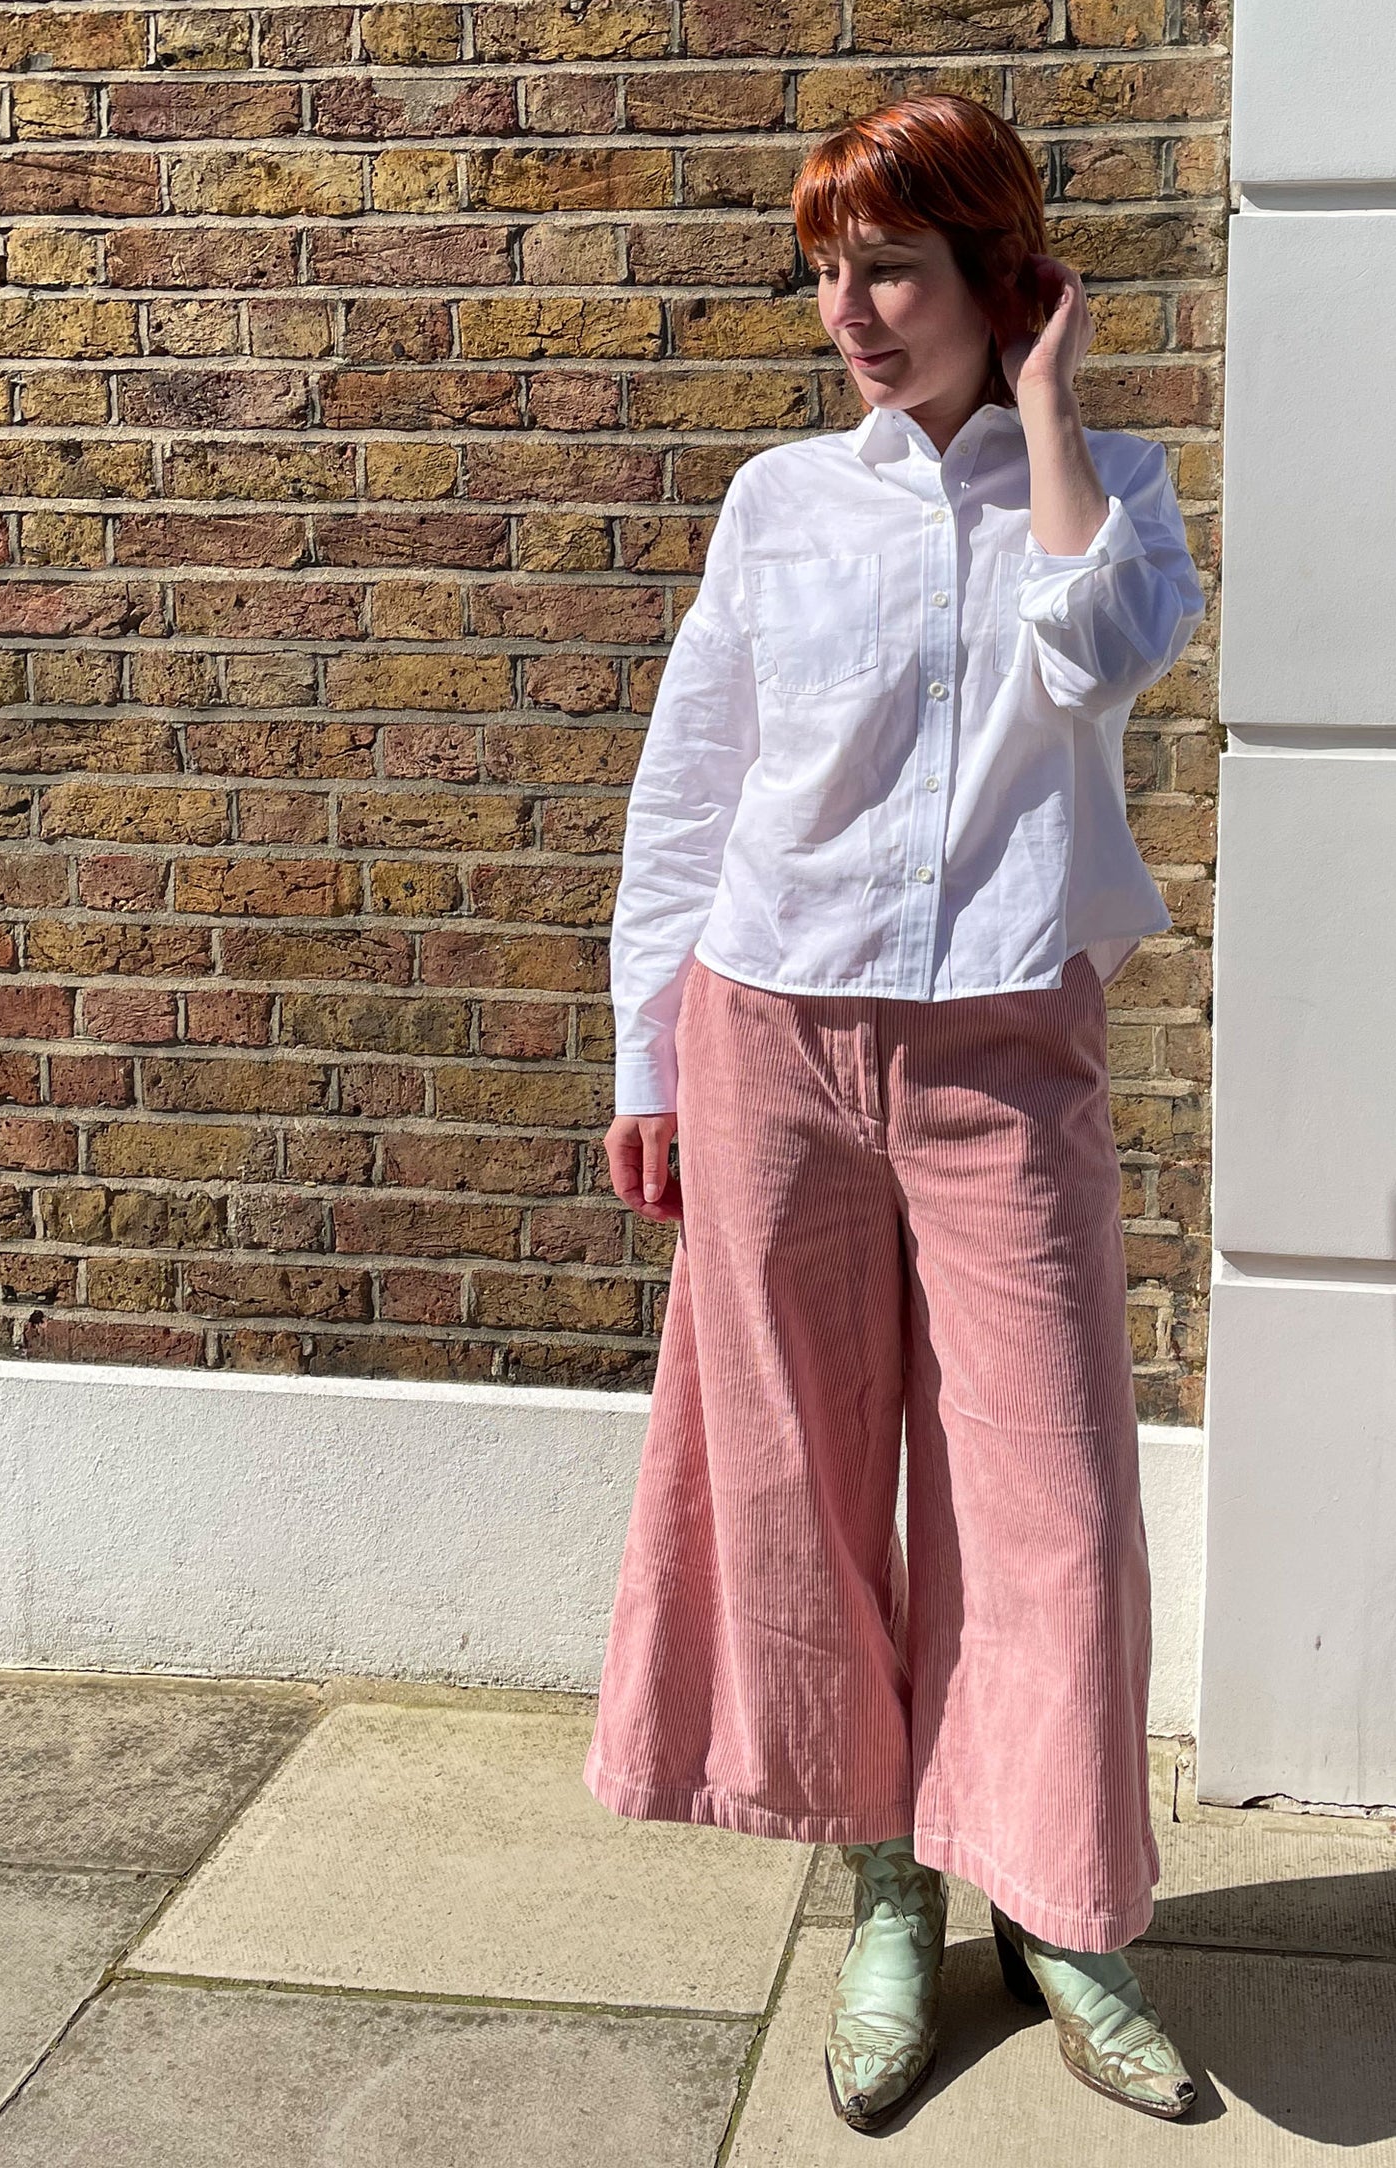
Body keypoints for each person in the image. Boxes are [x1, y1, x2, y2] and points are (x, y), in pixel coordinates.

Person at [583, 91, 1205, 2132]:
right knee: (803, 1486)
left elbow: (1101, 650)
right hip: (769, 1034)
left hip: (1002, 1046)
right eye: (828, 273)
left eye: (894, 269)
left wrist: (1041, 410)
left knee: (1061, 1502)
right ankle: (884, 1888)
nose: (849, 311)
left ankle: (1064, 1906)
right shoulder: (777, 503)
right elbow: (693, 789)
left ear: (997, 276)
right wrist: (647, 1050)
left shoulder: (1108, 487)